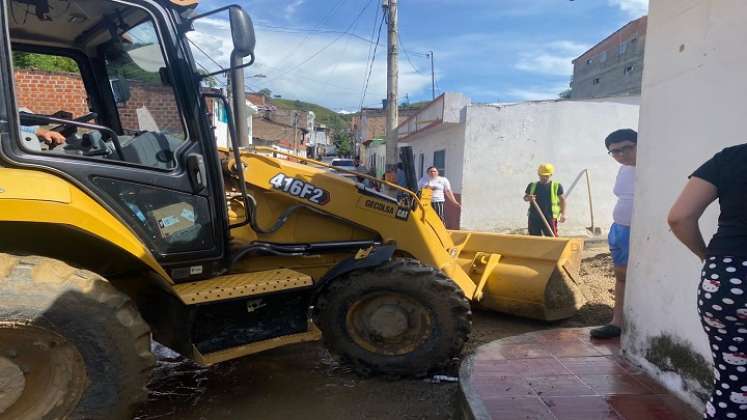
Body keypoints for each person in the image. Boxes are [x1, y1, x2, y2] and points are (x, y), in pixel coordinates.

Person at [668, 143, 747, 420]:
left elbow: (679, 217)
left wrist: (707, 257)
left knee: (734, 387)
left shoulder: (732, 157)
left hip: (728, 277)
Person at [590, 128, 637, 339]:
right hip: (620, 229)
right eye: (615, 151)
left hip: (638, 231)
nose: (621, 154)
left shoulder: (652, 167)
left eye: (626, 148)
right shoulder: (624, 169)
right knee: (621, 277)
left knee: (635, 277)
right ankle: (617, 322)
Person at [523, 163, 566, 236]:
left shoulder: (556, 186)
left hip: (550, 217)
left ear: (551, 175)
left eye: (546, 176)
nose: (543, 178)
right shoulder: (532, 186)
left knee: (551, 237)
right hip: (534, 217)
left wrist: (563, 214)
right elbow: (525, 197)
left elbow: (562, 200)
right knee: (534, 238)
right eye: (541, 175)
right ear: (538, 174)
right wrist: (528, 198)